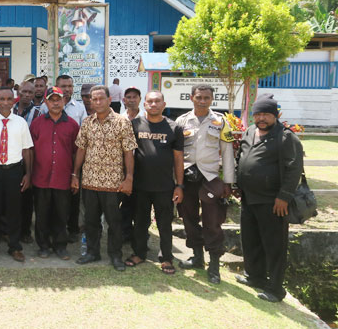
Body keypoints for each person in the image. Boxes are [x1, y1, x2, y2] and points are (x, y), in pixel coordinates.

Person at [236, 94, 302, 302]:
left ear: (276, 115)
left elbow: (294, 169)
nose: (261, 118)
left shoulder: (286, 137)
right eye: (258, 114)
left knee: (274, 246)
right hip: (249, 198)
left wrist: (284, 196)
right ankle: (254, 276)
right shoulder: (249, 131)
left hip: (273, 202)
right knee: (250, 240)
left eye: (266, 114)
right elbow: (241, 158)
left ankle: (275, 289)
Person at [72, 85, 137, 271]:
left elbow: (128, 152)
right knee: (91, 221)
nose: (98, 102)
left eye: (101, 98)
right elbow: (81, 149)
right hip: (90, 181)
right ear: (91, 101)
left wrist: (129, 178)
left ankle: (115, 256)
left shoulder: (122, 122)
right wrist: (75, 174)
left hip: (113, 183)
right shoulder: (87, 122)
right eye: (94, 99)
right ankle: (92, 252)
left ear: (109, 100)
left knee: (114, 222)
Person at [175, 84, 235, 284]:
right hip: (187, 177)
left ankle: (214, 265)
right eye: (199, 97)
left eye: (206, 98)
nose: (202, 101)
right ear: (191, 97)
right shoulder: (182, 121)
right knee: (188, 218)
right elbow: (176, 153)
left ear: (212, 99)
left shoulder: (220, 121)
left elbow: (227, 151)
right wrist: (176, 182)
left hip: (210, 178)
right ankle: (197, 258)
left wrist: (228, 181)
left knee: (213, 222)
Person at [126, 91, 184, 274]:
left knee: (164, 224)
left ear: (164, 104)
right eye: (150, 101)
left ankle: (166, 257)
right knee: (140, 222)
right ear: (144, 104)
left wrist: (179, 185)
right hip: (140, 186)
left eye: (157, 101)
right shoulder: (135, 125)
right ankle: (139, 253)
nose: (153, 104)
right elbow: (128, 153)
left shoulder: (174, 128)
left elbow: (178, 159)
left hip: (164, 186)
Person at [0, 87, 34, 262]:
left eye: (9, 99)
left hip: (14, 171)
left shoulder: (21, 123)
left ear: (14, 101)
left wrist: (28, 174)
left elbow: (26, 150)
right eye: (2, 99)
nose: (5, 102)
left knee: (14, 211)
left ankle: (15, 247)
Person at [30, 87, 79, 260]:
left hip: (62, 178)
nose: (56, 103)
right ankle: (43, 246)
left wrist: (75, 175)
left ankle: (60, 246)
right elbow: (30, 151)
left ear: (64, 101)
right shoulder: (36, 124)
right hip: (41, 177)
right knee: (42, 214)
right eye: (52, 100)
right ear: (46, 102)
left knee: (61, 214)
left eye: (59, 99)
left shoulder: (72, 125)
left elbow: (76, 152)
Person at [40, 74, 87, 243]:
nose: (67, 89)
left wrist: (76, 170)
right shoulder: (44, 109)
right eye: (64, 86)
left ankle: (72, 229)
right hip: (49, 163)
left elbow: (83, 137)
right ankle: (49, 234)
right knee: (51, 203)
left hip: (71, 159)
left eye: (70, 86)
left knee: (72, 199)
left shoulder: (79, 109)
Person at [13, 80, 38, 243]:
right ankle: (9, 230)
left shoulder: (38, 113)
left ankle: (25, 231)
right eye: (24, 92)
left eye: (30, 92)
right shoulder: (10, 109)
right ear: (18, 92)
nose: (27, 95)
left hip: (30, 159)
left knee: (27, 199)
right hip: (11, 159)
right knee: (11, 198)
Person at [121, 85, 143, 246]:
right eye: (129, 97)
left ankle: (140, 235)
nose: (132, 100)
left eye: (135, 97)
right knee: (125, 202)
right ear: (124, 100)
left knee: (140, 202)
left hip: (142, 168)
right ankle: (125, 232)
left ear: (140, 99)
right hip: (121, 167)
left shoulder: (147, 119)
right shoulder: (119, 119)